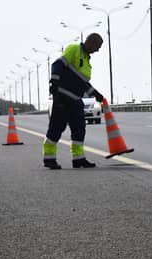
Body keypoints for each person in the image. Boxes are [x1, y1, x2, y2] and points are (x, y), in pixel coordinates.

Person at [42, 33, 105, 170]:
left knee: (79, 129)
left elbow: (82, 83)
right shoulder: (73, 49)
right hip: (63, 98)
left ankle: (78, 159)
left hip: (76, 101)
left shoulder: (87, 60)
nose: (98, 50)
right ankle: (49, 158)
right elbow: (57, 65)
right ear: (91, 43)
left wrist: (95, 94)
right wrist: (54, 82)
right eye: (98, 47)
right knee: (57, 128)